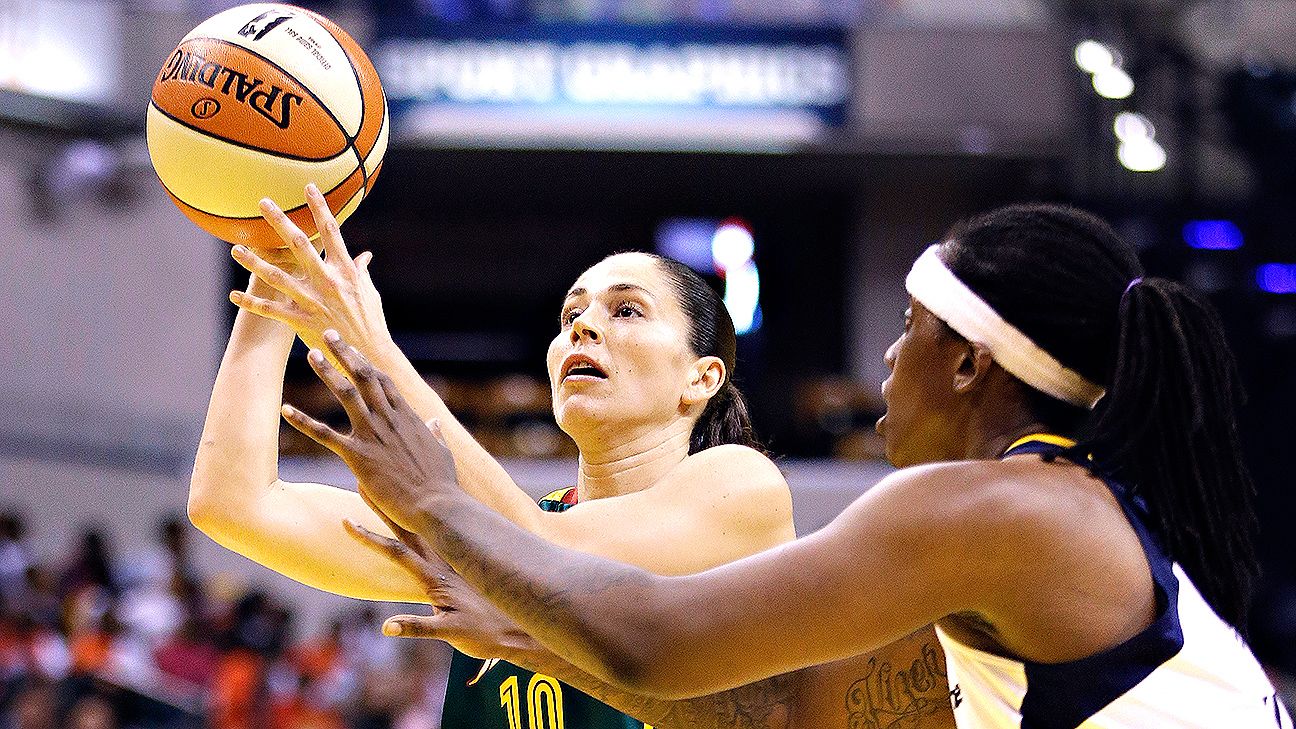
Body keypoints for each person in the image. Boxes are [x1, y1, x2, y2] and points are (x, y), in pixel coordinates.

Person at [291, 203, 1293, 728]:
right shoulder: (1018, 524)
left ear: (970, 363)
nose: (889, 358)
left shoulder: (996, 510)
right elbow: (787, 717)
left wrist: (436, 498)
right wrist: (542, 645)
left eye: (911, 327)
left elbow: (655, 637)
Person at [188, 185, 956, 728]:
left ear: (702, 377)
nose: (583, 326)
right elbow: (235, 504)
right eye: (571, 315)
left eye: (626, 310)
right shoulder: (500, 529)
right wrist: (275, 274)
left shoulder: (738, 487)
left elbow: (540, 554)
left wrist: (376, 350)